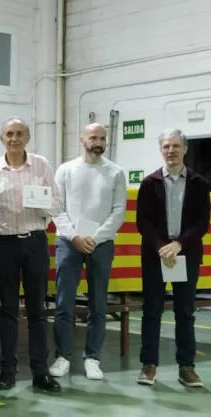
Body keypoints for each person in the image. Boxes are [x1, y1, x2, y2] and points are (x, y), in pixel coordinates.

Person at [0, 117, 62, 392]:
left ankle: (40, 372)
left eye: (19, 133)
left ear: (28, 137)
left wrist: (40, 202)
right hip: (4, 245)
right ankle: (7, 372)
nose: (14, 138)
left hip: (35, 242)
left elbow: (58, 205)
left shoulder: (41, 165)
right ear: (2, 138)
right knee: (7, 311)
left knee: (37, 310)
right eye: (9, 134)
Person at [50, 123, 126, 380]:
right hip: (68, 243)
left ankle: (92, 358)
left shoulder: (115, 173)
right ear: (82, 139)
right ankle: (62, 357)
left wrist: (93, 238)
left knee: (98, 304)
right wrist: (74, 237)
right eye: (93, 137)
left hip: (101, 245)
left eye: (102, 138)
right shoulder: (65, 170)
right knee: (64, 303)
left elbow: (118, 212)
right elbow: (56, 208)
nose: (98, 141)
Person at [135, 129, 210, 387]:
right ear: (161, 150)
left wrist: (178, 244)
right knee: (151, 312)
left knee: (185, 312)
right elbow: (142, 221)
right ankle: (148, 366)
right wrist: (162, 247)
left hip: (185, 256)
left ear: (185, 149)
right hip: (156, 257)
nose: (171, 151)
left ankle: (186, 367)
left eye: (176, 146)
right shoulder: (149, 183)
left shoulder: (199, 183)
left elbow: (202, 222)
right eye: (166, 146)